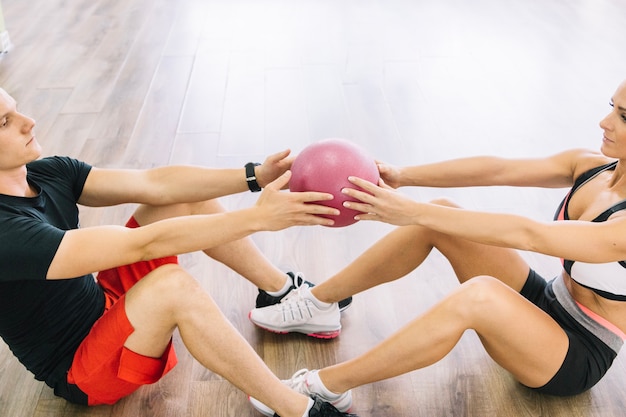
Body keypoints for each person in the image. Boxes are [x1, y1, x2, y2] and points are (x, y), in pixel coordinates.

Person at [248, 79, 626, 414]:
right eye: (611, 107)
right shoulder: (593, 167)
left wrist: (411, 212)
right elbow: (497, 170)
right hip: (548, 304)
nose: (604, 122)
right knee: (440, 216)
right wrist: (403, 177)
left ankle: (327, 387)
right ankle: (319, 303)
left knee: (477, 294)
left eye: (624, 116)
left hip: (576, 354)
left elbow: (531, 234)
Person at [0, 87, 358, 417]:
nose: (28, 121)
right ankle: (292, 406)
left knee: (179, 198)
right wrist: (258, 218)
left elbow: (154, 184)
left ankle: (280, 292)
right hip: (82, 369)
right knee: (172, 286)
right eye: (6, 122)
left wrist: (256, 176)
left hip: (105, 304)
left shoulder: (46, 174)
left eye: (16, 111)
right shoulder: (5, 234)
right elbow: (144, 244)